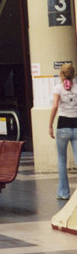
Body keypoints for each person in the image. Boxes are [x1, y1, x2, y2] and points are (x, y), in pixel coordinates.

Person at [49, 62, 77, 200]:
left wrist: (50, 125)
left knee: (61, 160)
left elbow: (55, 106)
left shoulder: (58, 88)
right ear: (73, 75)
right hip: (76, 126)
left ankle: (63, 193)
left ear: (61, 74)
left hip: (62, 126)